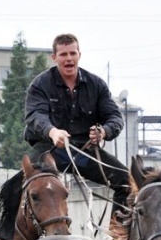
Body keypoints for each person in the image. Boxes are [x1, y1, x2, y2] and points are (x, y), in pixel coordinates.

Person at [24, 33, 129, 223]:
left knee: (127, 183)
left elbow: (115, 117)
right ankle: (13, 236)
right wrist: (52, 132)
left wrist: (103, 132)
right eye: (63, 54)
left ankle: (117, 233)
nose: (69, 58)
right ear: (54, 57)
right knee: (26, 185)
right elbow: (35, 116)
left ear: (79, 55)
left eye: (73, 53)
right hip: (50, 149)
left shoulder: (96, 85)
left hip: (84, 152)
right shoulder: (40, 85)